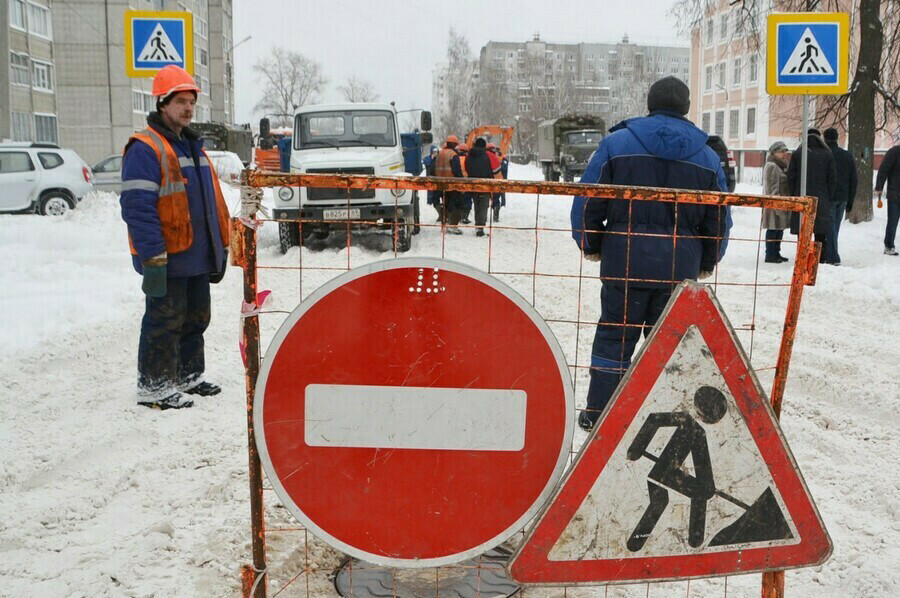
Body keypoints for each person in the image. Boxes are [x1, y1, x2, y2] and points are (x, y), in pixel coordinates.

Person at [571, 75, 727, 432]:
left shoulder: (617, 145)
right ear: (686, 107)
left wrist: (590, 242)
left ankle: (600, 414)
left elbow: (589, 200)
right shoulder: (707, 157)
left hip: (623, 262)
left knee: (614, 336)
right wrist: (708, 260)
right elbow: (719, 215)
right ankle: (664, 416)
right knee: (669, 343)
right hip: (679, 266)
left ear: (650, 102)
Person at [120, 65, 231, 410]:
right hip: (167, 256)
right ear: (162, 103)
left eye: (191, 103)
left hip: (196, 255)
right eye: (181, 101)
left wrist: (219, 248)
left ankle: (188, 377)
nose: (187, 109)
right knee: (164, 320)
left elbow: (207, 204)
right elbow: (137, 208)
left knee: (196, 319)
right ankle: (154, 388)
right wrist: (152, 257)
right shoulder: (146, 148)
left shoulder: (192, 147)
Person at [787, 128, 835, 263]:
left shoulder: (798, 154)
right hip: (821, 198)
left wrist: (794, 195)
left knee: (803, 231)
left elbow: (790, 177)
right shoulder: (827, 154)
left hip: (801, 197)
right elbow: (832, 180)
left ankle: (802, 258)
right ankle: (820, 259)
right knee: (820, 232)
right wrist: (827, 196)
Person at [823, 128, 857, 265]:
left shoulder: (825, 154)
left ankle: (832, 256)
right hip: (843, 196)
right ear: (837, 138)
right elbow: (853, 180)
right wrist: (850, 200)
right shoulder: (847, 156)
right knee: (834, 227)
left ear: (824, 138)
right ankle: (830, 253)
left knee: (830, 227)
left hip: (829, 195)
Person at [465, 137, 503, 236]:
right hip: (485, 184)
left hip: (472, 184)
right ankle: (480, 228)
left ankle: (478, 226)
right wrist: (500, 185)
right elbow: (497, 170)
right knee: (483, 205)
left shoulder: (469, 155)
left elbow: (466, 168)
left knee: (477, 205)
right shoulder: (489, 155)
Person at [762, 141, 793, 263]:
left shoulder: (781, 165)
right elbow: (772, 188)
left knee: (779, 229)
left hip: (781, 203)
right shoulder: (772, 166)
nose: (784, 154)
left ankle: (776, 253)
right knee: (773, 228)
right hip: (775, 204)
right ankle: (770, 254)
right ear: (774, 152)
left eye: (785, 151)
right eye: (782, 151)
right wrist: (777, 206)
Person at [875, 143, 900, 256]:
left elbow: (883, 169)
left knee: (892, 221)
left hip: (894, 192)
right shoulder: (894, 152)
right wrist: (879, 186)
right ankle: (889, 245)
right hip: (895, 194)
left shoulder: (893, 152)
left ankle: (889, 245)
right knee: (892, 221)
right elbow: (884, 170)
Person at [434, 136, 460, 226]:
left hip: (439, 183)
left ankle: (444, 222)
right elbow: (457, 170)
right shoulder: (453, 155)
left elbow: (434, 168)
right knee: (452, 204)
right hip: (451, 183)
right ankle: (450, 223)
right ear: (454, 144)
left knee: (444, 203)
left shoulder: (439, 154)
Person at [445, 143, 469, 235]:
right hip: (464, 184)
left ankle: (448, 223)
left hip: (452, 184)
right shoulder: (466, 159)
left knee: (450, 204)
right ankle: (453, 225)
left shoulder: (454, 157)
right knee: (459, 206)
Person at [488, 143, 509, 222]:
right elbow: (504, 170)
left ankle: (493, 213)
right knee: (496, 198)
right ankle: (496, 216)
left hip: (491, 181)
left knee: (491, 198)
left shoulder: (492, 158)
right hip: (500, 181)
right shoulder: (503, 159)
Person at [422, 145, 442, 221]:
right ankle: (441, 214)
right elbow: (425, 162)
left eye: (436, 152)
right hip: (431, 182)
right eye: (433, 152)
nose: (435, 153)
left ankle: (443, 215)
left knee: (443, 199)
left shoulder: (440, 159)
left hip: (440, 182)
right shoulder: (428, 159)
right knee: (434, 200)